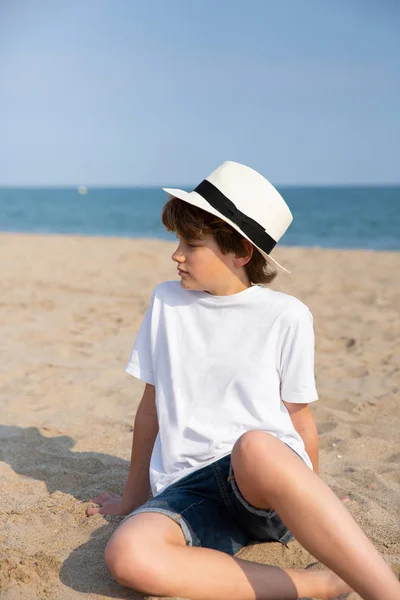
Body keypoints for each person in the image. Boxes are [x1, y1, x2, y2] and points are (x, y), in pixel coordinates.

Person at [86, 161, 400, 600]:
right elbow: (150, 408)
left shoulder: (286, 315)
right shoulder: (166, 303)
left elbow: (299, 418)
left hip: (261, 483)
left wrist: (314, 495)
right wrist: (132, 500)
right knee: (128, 557)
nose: (177, 254)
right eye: (178, 240)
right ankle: (318, 585)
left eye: (192, 244)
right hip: (189, 491)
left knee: (254, 446)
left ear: (242, 253)